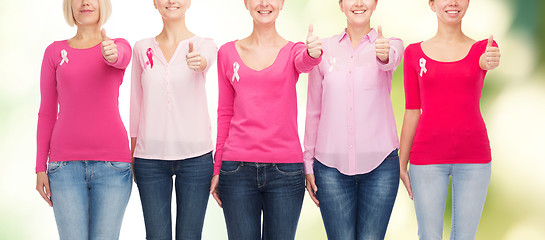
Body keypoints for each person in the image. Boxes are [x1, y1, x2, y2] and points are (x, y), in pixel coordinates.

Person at [208, 0, 322, 239]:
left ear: (281, 3)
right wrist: (218, 166)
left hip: (286, 172)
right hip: (236, 170)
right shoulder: (227, 53)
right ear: (246, 3)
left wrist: (313, 53)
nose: (264, 3)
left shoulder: (295, 51)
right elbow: (224, 112)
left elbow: (306, 62)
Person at [399, 0, 501, 239]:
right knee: (429, 235)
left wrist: (491, 61)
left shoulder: (483, 49)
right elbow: (412, 110)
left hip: (474, 158)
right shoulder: (413, 53)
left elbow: (489, 60)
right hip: (426, 160)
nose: (453, 2)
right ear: (432, 4)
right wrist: (401, 164)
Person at [303, 0, 404, 239]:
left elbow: (390, 58)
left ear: (376, 3)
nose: (358, 3)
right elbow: (313, 109)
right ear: (340, 4)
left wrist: (383, 54)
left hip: (381, 166)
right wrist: (308, 162)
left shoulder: (390, 44)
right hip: (330, 169)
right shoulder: (323, 49)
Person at [35, 0, 133, 239]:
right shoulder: (54, 52)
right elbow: (47, 111)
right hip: (63, 168)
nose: (85, 2)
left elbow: (120, 57)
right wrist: (40, 167)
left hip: (113, 167)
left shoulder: (118, 45)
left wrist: (111, 52)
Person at [130, 0, 217, 239]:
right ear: (155, 3)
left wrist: (199, 62)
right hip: (149, 159)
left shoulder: (204, 45)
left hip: (196, 159)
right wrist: (133, 153)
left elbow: (205, 60)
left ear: (188, 2)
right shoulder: (141, 48)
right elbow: (136, 104)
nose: (172, 1)